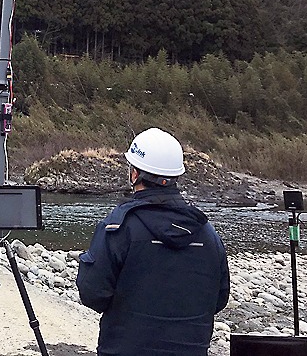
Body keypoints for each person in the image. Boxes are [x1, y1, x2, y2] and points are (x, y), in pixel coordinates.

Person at [76, 127, 230, 356]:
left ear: (135, 174)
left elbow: (92, 294)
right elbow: (219, 299)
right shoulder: (207, 233)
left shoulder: (118, 227)